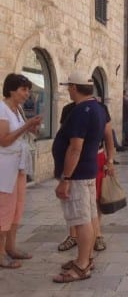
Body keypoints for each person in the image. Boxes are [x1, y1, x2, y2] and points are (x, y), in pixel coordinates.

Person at [52, 71, 107, 283]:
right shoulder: (98, 108)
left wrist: (65, 179)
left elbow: (75, 148)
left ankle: (82, 266)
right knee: (90, 217)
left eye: (69, 87)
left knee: (81, 220)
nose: (68, 90)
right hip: (88, 170)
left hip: (77, 175)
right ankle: (87, 257)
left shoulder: (81, 111)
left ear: (74, 87)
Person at [57, 97, 115, 253]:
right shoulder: (68, 109)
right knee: (73, 198)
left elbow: (109, 136)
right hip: (74, 160)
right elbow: (65, 137)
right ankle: (73, 235)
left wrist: (110, 160)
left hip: (96, 157)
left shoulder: (100, 108)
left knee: (95, 198)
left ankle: (97, 235)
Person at [0, 73, 42, 269]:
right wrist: (26, 125)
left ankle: (11, 247)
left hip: (18, 166)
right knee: (4, 210)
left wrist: (30, 127)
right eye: (24, 89)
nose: (27, 94)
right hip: (5, 168)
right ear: (11, 90)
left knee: (17, 208)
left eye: (28, 90)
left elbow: (18, 134)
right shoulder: (2, 109)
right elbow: (4, 140)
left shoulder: (17, 110)